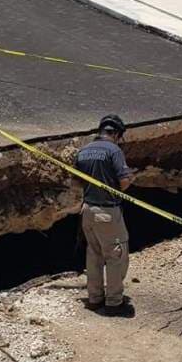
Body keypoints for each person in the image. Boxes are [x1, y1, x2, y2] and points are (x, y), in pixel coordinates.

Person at [74, 114, 135, 317]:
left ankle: (94, 299)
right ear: (116, 133)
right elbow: (124, 181)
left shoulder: (84, 150)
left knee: (94, 255)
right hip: (108, 213)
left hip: (87, 211)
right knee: (116, 256)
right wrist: (125, 182)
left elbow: (77, 181)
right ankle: (114, 303)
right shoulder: (114, 150)